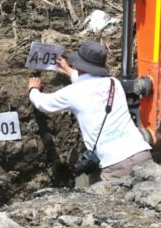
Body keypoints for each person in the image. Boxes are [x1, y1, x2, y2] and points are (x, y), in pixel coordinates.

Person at [28, 40, 152, 183]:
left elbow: (42, 103)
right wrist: (68, 70)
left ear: (79, 64)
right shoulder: (114, 83)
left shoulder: (73, 93)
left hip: (115, 165)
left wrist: (33, 89)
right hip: (141, 153)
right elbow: (90, 82)